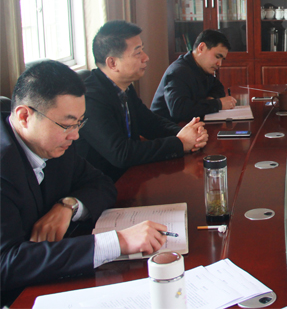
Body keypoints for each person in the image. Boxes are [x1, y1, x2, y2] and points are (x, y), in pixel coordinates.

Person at [1, 61, 167, 306]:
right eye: (67, 125)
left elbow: (101, 183)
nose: (75, 135)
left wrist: (68, 206)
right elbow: (7, 263)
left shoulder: (57, 144)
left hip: (52, 278)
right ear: (25, 116)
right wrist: (118, 242)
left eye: (79, 123)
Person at [77, 21, 208, 182]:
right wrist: (180, 142)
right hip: (103, 185)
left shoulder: (124, 88)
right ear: (112, 63)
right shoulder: (90, 99)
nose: (146, 58)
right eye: (137, 52)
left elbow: (150, 123)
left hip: (130, 176)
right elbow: (121, 153)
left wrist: (190, 134)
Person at [151, 30, 236, 122]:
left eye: (222, 59)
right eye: (217, 56)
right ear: (201, 48)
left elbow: (218, 87)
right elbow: (179, 111)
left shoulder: (200, 68)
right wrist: (217, 104)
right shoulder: (178, 72)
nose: (219, 64)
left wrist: (210, 99)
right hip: (166, 128)